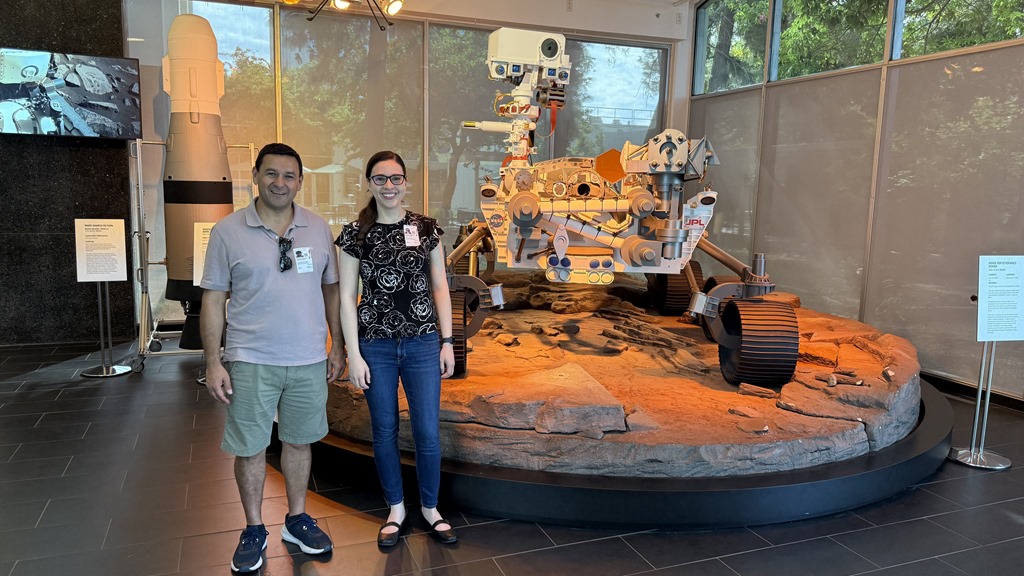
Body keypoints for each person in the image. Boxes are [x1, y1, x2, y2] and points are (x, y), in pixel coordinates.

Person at [200, 143, 344, 573]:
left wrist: (336, 344)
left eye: (289, 175)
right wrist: (213, 361)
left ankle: (296, 520)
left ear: (300, 182)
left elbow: (331, 290)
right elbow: (213, 300)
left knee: (299, 441)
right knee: (250, 447)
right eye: (271, 173)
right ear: (255, 176)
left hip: (307, 358)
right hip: (250, 358)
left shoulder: (318, 229)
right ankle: (253, 528)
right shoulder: (227, 232)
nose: (280, 183)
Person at [335, 150, 458, 547]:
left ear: (406, 182)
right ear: (369, 183)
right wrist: (353, 354)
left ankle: (430, 508)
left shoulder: (425, 228)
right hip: (375, 345)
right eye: (380, 178)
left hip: (423, 343)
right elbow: (346, 297)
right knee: (384, 429)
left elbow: (440, 286)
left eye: (396, 178)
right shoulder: (354, 233)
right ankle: (396, 508)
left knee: (427, 430)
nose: (389, 186)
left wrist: (447, 341)